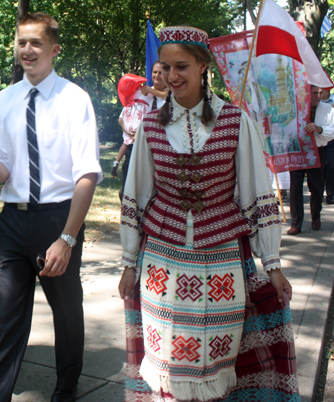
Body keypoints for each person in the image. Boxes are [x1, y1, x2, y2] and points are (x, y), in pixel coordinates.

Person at [118, 26, 299, 402]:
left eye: (181, 66)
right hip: (161, 264)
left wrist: (273, 261)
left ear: (203, 66)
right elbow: (135, 197)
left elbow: (256, 193)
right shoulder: (151, 126)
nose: (171, 77)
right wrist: (128, 262)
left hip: (221, 260)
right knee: (165, 365)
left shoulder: (235, 121)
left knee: (217, 364)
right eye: (164, 68)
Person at [0, 13, 102, 402]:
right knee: (5, 317)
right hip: (12, 221)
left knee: (66, 311)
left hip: (57, 219)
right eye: (21, 42)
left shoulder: (75, 99)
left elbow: (87, 175)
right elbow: (4, 173)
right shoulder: (4, 100)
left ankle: (66, 386)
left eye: (36, 43)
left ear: (53, 49)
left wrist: (67, 238)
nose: (27, 50)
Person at [113, 62, 168, 202]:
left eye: (161, 72)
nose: (157, 75)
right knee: (125, 192)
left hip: (161, 150)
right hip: (135, 148)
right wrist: (130, 133)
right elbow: (123, 117)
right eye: (155, 72)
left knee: (152, 193)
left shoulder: (172, 98)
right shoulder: (140, 93)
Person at [288, 85, 334, 235]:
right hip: (297, 149)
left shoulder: (327, 110)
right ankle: (296, 223)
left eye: (321, 93)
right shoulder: (295, 109)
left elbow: (332, 131)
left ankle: (316, 216)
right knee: (295, 188)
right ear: (307, 93)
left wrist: (319, 129)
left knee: (316, 187)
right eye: (315, 93)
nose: (318, 96)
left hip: (316, 150)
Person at [322, 88, 334, 204]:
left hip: (331, 139)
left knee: (331, 166)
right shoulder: (315, 101)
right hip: (318, 138)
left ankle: (330, 194)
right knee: (320, 167)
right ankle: (317, 193)